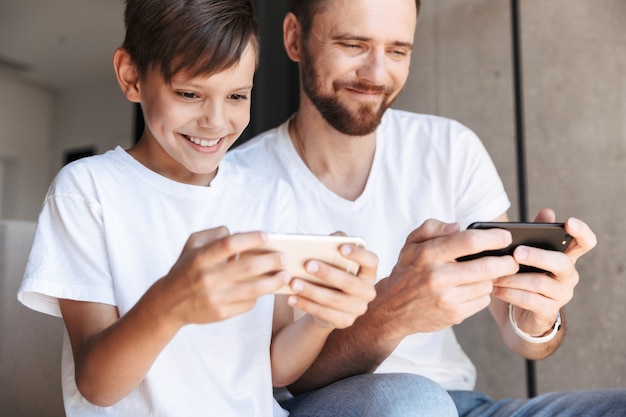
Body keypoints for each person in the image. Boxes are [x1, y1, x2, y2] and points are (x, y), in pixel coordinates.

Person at [226, 0, 626, 415]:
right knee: (415, 403)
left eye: (398, 51)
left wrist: (537, 318)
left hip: (462, 405)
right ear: (294, 38)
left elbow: (518, 333)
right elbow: (272, 375)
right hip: (329, 405)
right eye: (352, 44)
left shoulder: (451, 148)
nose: (377, 74)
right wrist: (393, 314)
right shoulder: (239, 182)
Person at [17, 1, 379, 416]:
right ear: (131, 76)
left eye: (237, 95)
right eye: (189, 94)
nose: (215, 120)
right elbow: (97, 385)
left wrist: (323, 318)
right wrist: (170, 303)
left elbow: (274, 367)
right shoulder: (88, 190)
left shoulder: (267, 196)